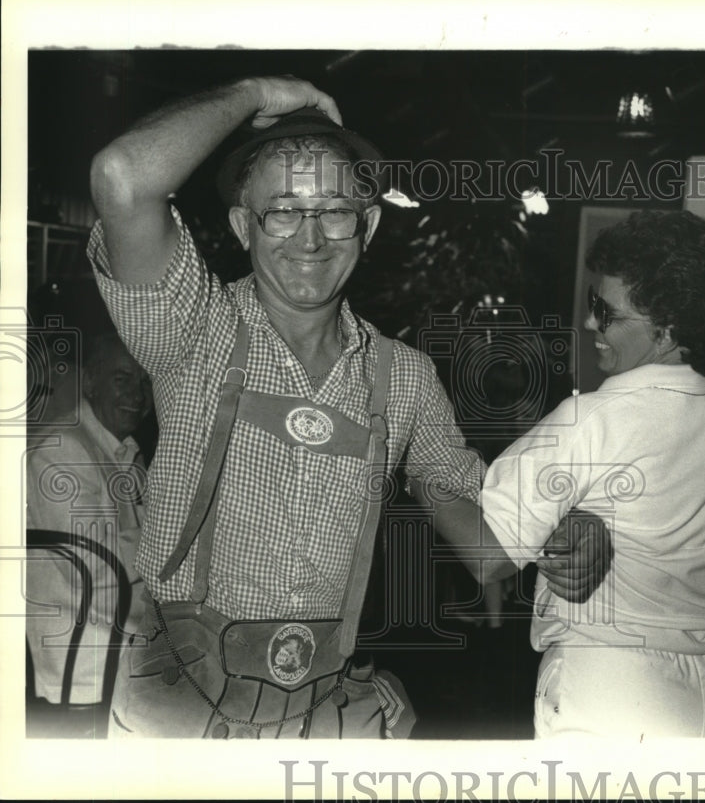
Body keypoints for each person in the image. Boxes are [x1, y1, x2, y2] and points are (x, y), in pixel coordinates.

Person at [87, 76, 609, 739]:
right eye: (282, 210)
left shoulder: (405, 378)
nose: (311, 238)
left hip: (320, 711)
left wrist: (571, 526)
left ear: (369, 224)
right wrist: (255, 92)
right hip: (180, 711)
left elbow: (484, 541)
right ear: (243, 225)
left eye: (335, 209)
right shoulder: (193, 329)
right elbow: (121, 176)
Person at [419, 210, 705, 740]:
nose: (590, 324)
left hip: (608, 682)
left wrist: (422, 474)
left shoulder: (592, 419)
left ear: (667, 331)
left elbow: (489, 556)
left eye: (604, 312)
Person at [25, 332, 152, 736]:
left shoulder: (124, 452)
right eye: (122, 378)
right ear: (90, 383)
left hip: (125, 640)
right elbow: (98, 567)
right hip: (88, 655)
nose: (137, 393)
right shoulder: (62, 449)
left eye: (145, 382)